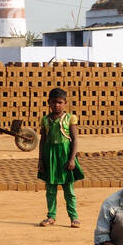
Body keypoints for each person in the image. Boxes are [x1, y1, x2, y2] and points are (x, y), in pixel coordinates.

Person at [37, 87, 84, 227]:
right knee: (50, 188)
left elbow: (74, 140)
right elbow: (43, 140)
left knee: (68, 189)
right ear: (48, 103)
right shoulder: (45, 120)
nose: (56, 105)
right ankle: (51, 216)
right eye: (53, 102)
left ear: (65, 103)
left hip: (64, 155)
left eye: (59, 102)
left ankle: (74, 217)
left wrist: (72, 159)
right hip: (49, 156)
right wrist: (40, 160)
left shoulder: (70, 119)